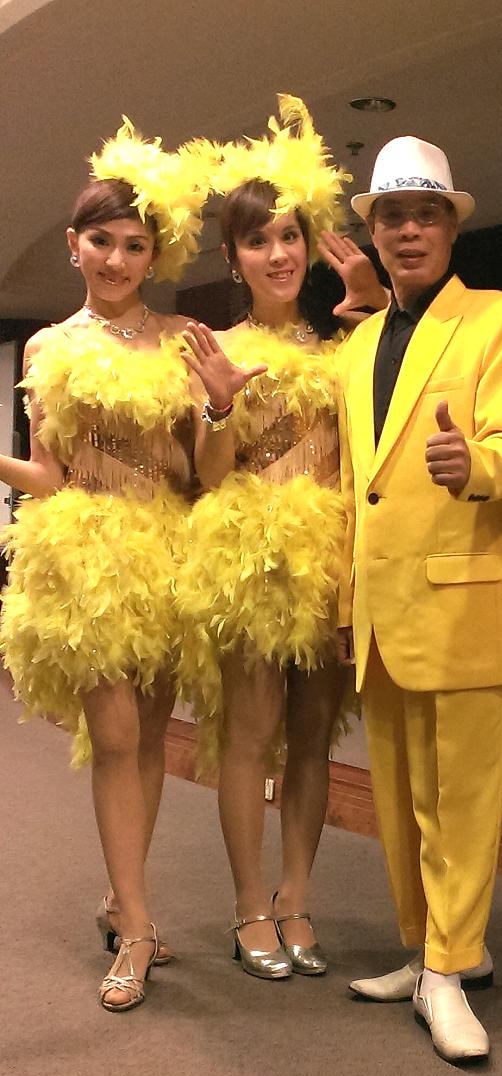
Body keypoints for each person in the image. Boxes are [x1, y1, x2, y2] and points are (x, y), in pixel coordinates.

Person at [336, 135, 502, 1062]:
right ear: (374, 232)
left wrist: (475, 464)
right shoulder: (357, 346)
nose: (409, 230)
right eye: (393, 215)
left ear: (452, 227)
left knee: (459, 797)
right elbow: (358, 486)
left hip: (460, 595)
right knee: (397, 799)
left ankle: (451, 971)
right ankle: (428, 949)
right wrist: (347, 602)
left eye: (426, 214)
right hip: (381, 610)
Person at [0, 120, 209, 1010]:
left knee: (151, 737)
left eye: (134, 245)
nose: (117, 260)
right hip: (86, 555)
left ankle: (124, 897)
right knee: (116, 736)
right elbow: (47, 472)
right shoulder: (48, 347)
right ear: (73, 245)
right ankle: (139, 926)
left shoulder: (186, 338)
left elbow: (204, 471)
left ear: (154, 254)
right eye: (102, 241)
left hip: (170, 551)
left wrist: (221, 410)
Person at [177, 96, 380, 980]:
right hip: (251, 563)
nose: (279, 253)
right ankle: (249, 904)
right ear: (233, 258)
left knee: (313, 736)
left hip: (330, 559)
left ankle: (298, 896)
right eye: (258, 240)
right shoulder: (213, 347)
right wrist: (221, 403)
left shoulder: (344, 348)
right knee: (250, 736)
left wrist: (372, 305)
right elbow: (209, 474)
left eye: (290, 235)